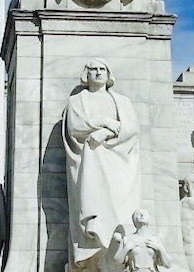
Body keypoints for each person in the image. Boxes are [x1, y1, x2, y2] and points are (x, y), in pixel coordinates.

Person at [61, 60, 142, 255]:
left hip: (119, 163)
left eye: (102, 69)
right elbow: (75, 127)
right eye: (93, 69)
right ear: (86, 74)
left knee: (120, 210)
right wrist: (105, 122)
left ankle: (119, 251)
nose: (98, 73)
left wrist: (106, 133)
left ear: (108, 74)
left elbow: (131, 128)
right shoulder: (76, 101)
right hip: (90, 162)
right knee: (92, 203)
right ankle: (91, 257)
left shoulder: (122, 101)